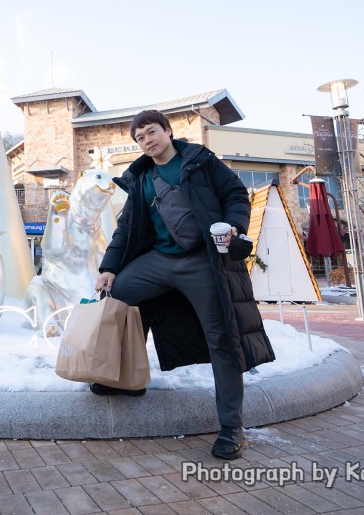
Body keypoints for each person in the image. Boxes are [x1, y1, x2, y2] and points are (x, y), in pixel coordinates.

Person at [95, 110, 274, 460]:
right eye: (140, 137)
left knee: (222, 337)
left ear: (167, 131)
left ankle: (232, 428)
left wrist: (234, 226)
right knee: (120, 294)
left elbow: (236, 195)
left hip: (202, 261)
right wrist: (110, 267)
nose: (147, 140)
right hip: (159, 261)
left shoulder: (200, 161)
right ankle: (128, 380)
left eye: (151, 132)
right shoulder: (141, 179)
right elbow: (126, 228)